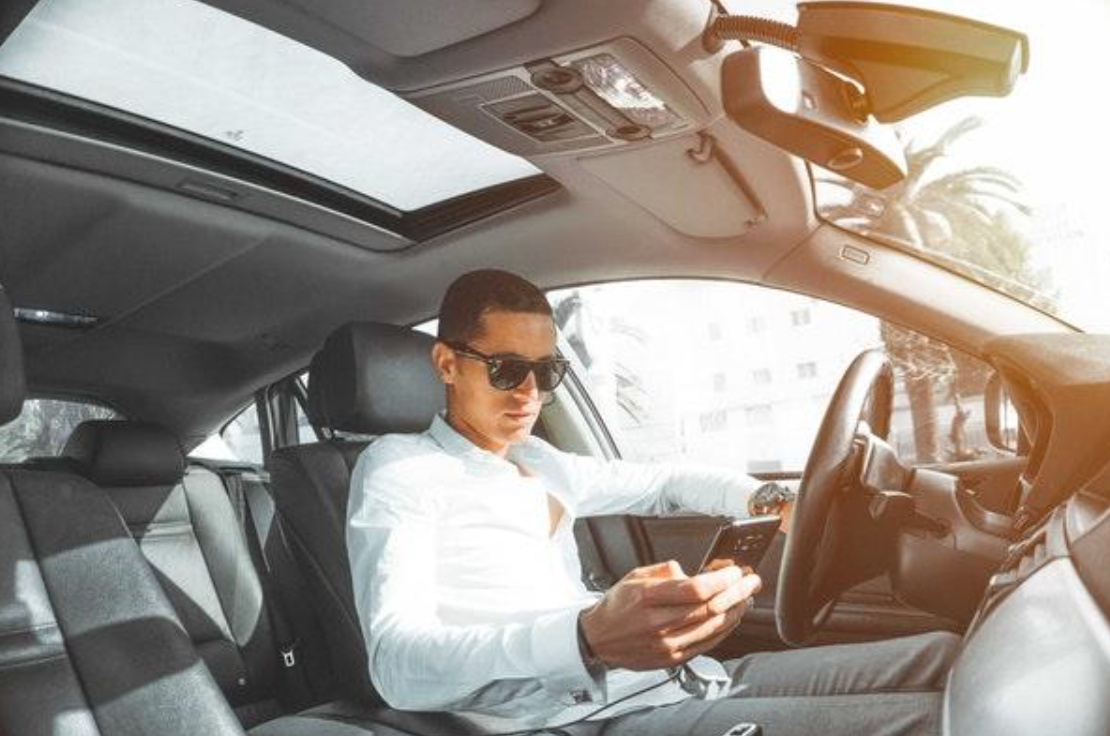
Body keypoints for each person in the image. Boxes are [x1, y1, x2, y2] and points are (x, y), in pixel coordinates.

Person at [347, 269, 959, 736]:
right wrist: (586, 637)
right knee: (933, 723)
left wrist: (772, 500)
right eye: (507, 370)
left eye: (547, 371)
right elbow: (397, 665)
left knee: (942, 657)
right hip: (580, 719)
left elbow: (665, 483)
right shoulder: (399, 469)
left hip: (676, 681)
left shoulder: (542, 461)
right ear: (446, 364)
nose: (531, 394)